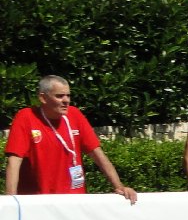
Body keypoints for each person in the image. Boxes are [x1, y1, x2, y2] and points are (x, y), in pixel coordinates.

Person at [5, 75, 137, 202]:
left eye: (68, 95)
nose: (66, 100)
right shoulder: (26, 117)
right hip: (40, 201)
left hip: (74, 200)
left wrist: (118, 186)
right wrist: (11, 201)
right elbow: (14, 161)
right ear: (43, 98)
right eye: (59, 96)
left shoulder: (74, 114)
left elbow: (97, 153)